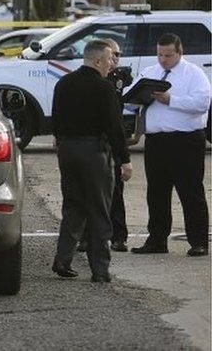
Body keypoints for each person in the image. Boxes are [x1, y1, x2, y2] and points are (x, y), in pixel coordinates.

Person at [51, 39, 133, 283]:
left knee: (73, 205)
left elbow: (55, 117)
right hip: (93, 152)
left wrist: (62, 141)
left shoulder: (63, 83)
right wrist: (124, 160)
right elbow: (114, 127)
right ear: (98, 60)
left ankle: (63, 259)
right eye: (109, 59)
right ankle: (100, 270)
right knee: (99, 209)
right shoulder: (104, 87)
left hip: (67, 150)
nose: (112, 64)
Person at [130, 33, 210, 257]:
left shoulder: (194, 73)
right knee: (156, 192)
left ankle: (199, 242)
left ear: (179, 52)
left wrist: (171, 100)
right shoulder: (150, 72)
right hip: (156, 141)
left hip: (185, 141)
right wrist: (138, 98)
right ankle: (156, 240)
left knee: (190, 191)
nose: (163, 60)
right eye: (159, 55)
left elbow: (202, 103)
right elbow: (131, 98)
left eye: (168, 55)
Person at [77, 37, 132, 252]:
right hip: (94, 141)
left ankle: (119, 236)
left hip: (114, 140)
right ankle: (86, 236)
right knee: (88, 192)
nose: (116, 59)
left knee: (115, 191)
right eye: (112, 55)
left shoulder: (122, 78)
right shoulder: (92, 78)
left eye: (118, 55)